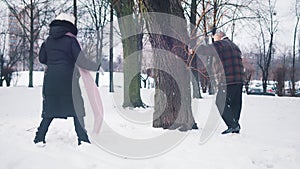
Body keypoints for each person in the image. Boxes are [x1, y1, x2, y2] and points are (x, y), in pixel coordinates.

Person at [34, 13, 99, 145]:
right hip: (68, 81)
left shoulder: (47, 40)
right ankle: (83, 138)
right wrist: (96, 66)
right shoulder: (71, 40)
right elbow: (81, 61)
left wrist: (53, 63)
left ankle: (39, 137)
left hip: (50, 80)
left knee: (50, 109)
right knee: (77, 109)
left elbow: (42, 59)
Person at [193, 31, 245, 134]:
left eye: (214, 38)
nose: (214, 40)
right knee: (235, 103)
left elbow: (206, 49)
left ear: (219, 37)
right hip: (239, 80)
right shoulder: (235, 46)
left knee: (220, 102)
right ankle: (235, 125)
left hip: (227, 80)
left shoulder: (220, 44)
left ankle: (233, 125)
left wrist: (194, 48)